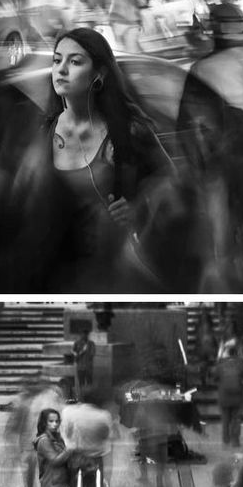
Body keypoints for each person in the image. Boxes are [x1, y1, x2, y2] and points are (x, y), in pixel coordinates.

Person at [38, 26, 177, 291]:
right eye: (57, 60)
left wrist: (139, 206)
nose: (62, 69)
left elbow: (170, 181)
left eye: (75, 61)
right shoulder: (44, 132)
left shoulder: (128, 130)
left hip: (114, 272)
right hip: (58, 273)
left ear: (99, 73)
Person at [213, 345, 243, 448]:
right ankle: (235, 441)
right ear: (236, 353)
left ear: (228, 354)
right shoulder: (240, 363)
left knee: (225, 420)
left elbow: (215, 377)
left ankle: (225, 441)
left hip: (224, 396)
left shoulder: (221, 364)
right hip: (237, 397)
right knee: (236, 419)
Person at [72, 328, 95, 398]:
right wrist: (82, 352)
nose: (84, 336)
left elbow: (92, 354)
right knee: (81, 383)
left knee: (89, 383)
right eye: (82, 334)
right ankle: (82, 396)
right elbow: (74, 354)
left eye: (86, 334)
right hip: (80, 367)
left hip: (88, 367)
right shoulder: (77, 343)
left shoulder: (91, 344)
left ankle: (89, 396)